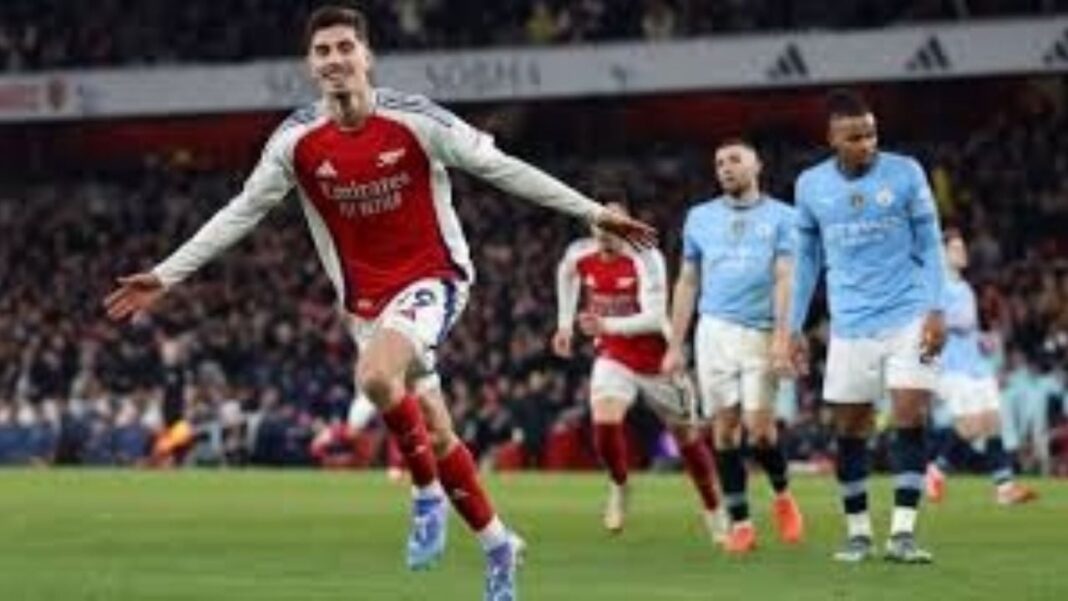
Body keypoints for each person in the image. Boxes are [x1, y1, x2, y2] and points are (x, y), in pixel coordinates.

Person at [102, 6, 655, 599]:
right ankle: (499, 545)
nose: (335, 59)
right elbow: (241, 212)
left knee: (374, 376)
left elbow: (503, 169)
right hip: (365, 303)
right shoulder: (296, 142)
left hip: (434, 278)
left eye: (345, 47)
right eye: (323, 51)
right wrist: (165, 275)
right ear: (310, 66)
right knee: (439, 436)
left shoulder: (416, 120)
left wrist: (592, 211)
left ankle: (424, 497)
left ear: (367, 57)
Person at [782, 89, 947, 564]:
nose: (866, 144)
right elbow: (808, 259)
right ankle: (858, 534)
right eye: (855, 137)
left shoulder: (906, 172)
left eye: (871, 133)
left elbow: (931, 244)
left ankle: (903, 534)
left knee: (909, 413)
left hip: (908, 314)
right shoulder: (810, 185)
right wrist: (792, 327)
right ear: (832, 137)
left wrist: (936, 309)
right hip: (851, 324)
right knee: (850, 429)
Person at [553, 196, 725, 542]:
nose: (606, 232)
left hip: (658, 360)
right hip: (614, 356)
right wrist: (565, 324)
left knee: (687, 439)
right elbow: (566, 275)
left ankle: (713, 508)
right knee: (603, 422)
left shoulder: (646, 257)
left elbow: (652, 317)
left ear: (628, 225)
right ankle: (619, 484)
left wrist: (605, 325)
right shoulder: (579, 254)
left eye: (615, 224)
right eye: (600, 224)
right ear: (592, 226)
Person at [663, 139, 804, 554]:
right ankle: (741, 522)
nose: (725, 167)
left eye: (735, 160)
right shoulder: (699, 218)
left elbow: (784, 278)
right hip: (714, 332)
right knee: (723, 430)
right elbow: (687, 281)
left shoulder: (783, 217)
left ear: (756, 165)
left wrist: (781, 337)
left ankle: (782, 495)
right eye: (719, 161)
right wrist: (675, 343)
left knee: (760, 430)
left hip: (761, 331)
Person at [925, 230, 1037, 505]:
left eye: (962, 248)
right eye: (955, 249)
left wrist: (983, 340)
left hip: (976, 364)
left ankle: (1004, 488)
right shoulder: (934, 287)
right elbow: (932, 325)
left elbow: (968, 327)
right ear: (941, 254)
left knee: (993, 422)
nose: (962, 253)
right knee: (971, 427)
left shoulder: (964, 288)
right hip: (952, 367)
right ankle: (936, 470)